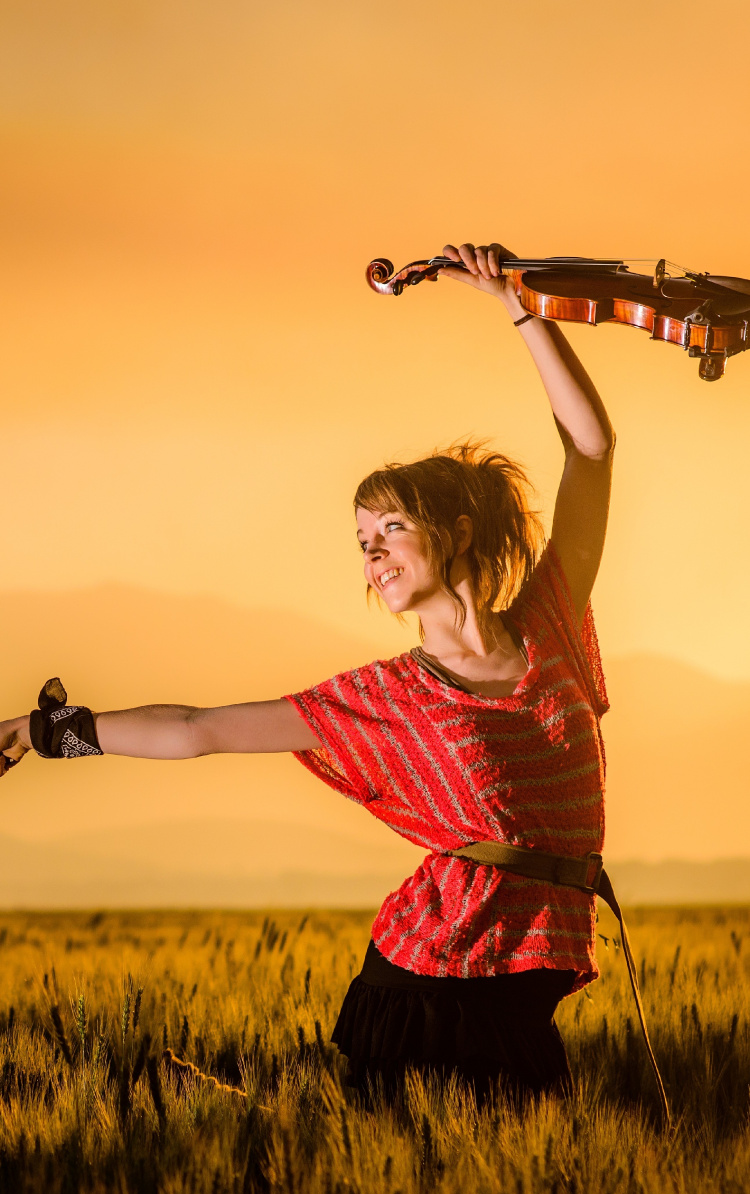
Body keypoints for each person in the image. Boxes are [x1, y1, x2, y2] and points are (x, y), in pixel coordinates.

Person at [0, 242, 615, 1106]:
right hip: (430, 985)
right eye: (362, 544)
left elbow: (590, 450)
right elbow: (198, 730)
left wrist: (517, 305)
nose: (372, 555)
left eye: (389, 530)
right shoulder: (385, 698)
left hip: (533, 968)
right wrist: (44, 730)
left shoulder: (550, 623)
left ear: (459, 531)